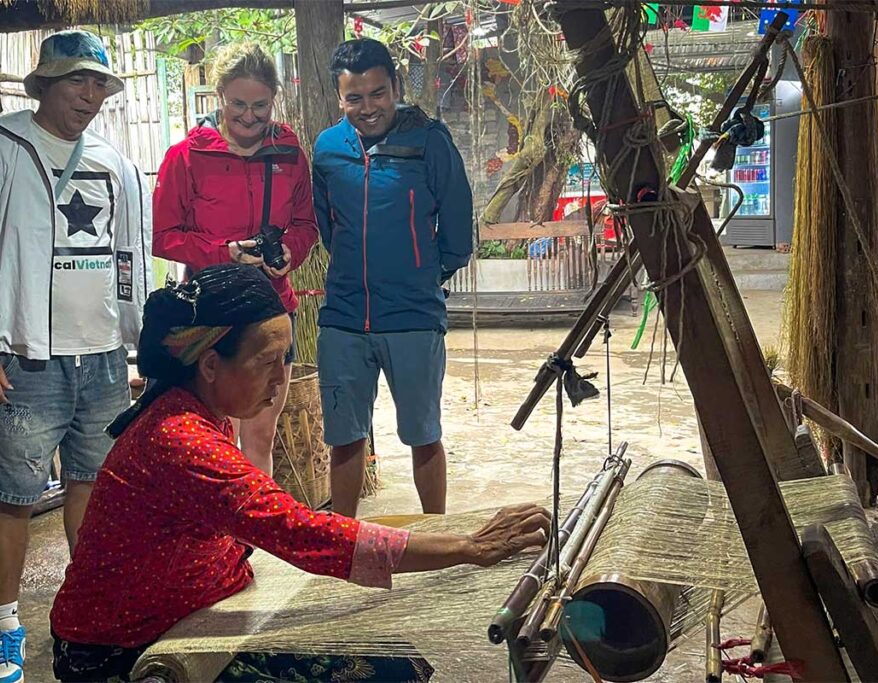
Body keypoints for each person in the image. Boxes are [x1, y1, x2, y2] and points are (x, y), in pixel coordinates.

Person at [48, 264, 550, 682]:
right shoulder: (180, 441)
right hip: (118, 653)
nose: (281, 377)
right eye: (266, 361)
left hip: (192, 608)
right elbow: (303, 532)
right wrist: (469, 548)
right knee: (386, 674)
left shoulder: (195, 408)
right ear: (209, 365)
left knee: (394, 661)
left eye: (284, 358)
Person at [0, 29, 152, 683]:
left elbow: (130, 261)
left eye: (98, 83)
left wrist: (141, 343)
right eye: (75, 82)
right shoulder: (0, 151)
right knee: (11, 495)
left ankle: (86, 614)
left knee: (93, 488)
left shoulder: (115, 165)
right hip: (26, 358)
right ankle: (5, 626)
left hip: (101, 358)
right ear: (44, 85)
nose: (88, 96)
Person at [312, 38, 473, 518]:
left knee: (423, 435)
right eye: (354, 98)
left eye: (378, 94)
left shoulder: (429, 141)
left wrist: (422, 275)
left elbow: (459, 230)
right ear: (339, 98)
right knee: (344, 437)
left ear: (396, 88)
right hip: (342, 317)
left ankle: (435, 535)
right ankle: (341, 541)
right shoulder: (326, 149)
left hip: (413, 318)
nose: (368, 108)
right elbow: (328, 228)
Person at [153, 42, 318, 475]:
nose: (249, 116)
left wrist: (289, 251)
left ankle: (249, 539)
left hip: (272, 310)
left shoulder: (290, 156)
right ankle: (213, 541)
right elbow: (164, 237)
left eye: (260, 105)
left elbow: (306, 225)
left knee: (260, 436)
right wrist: (221, 253)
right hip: (211, 315)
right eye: (238, 104)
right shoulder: (186, 157)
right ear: (220, 95)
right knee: (209, 437)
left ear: (274, 99)